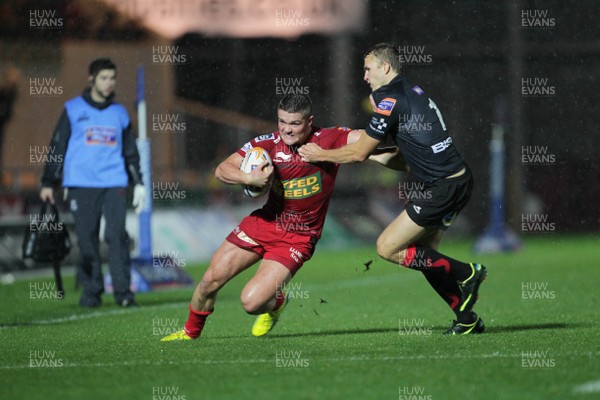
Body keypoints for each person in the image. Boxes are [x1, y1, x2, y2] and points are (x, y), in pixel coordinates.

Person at [161, 94, 393, 341]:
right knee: (209, 280)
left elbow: (368, 139)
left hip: (297, 238)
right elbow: (222, 169)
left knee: (251, 303)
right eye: (282, 121)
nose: (287, 129)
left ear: (310, 121)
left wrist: (386, 117)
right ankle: (190, 334)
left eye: (295, 123)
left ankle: (277, 302)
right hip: (263, 223)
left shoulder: (329, 138)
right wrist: (247, 178)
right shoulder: (268, 144)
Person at [298, 43, 487, 335]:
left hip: (442, 187)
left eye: (368, 68)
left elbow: (358, 154)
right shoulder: (409, 90)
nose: (364, 76)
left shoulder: (389, 99)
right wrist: (369, 151)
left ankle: (467, 273)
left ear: (385, 68)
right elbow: (402, 159)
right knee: (427, 258)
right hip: (457, 180)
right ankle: (466, 320)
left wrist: (320, 154)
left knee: (386, 247)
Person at [40, 58, 146, 308]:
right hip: (81, 185)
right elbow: (58, 146)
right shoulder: (73, 109)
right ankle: (92, 292)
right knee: (87, 239)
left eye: (112, 78)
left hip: (114, 183)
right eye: (104, 78)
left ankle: (123, 293)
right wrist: (48, 181)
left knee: (117, 236)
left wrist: (138, 182)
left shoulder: (120, 113)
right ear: (91, 79)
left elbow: (131, 151)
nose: (109, 83)